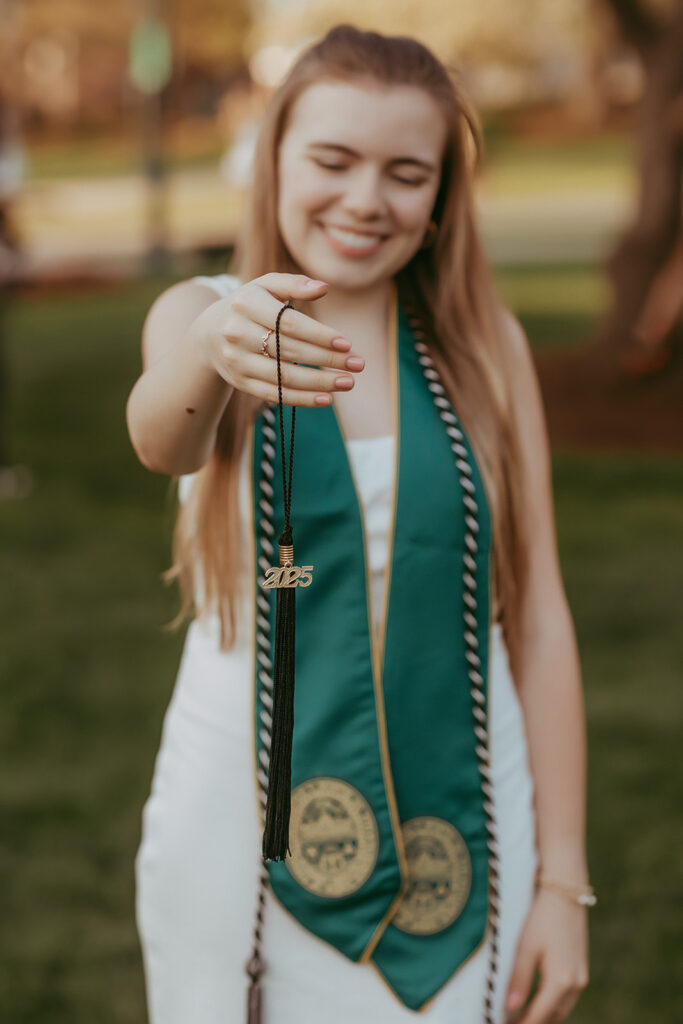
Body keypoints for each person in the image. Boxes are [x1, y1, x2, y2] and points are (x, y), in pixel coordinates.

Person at [126, 24, 593, 1024]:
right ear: (274, 160)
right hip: (240, 808)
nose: (364, 199)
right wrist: (214, 343)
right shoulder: (206, 317)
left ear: (438, 200)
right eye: (331, 160)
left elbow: (540, 615)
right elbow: (161, 438)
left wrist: (563, 881)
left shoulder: (480, 350)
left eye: (405, 172)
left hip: (464, 791)